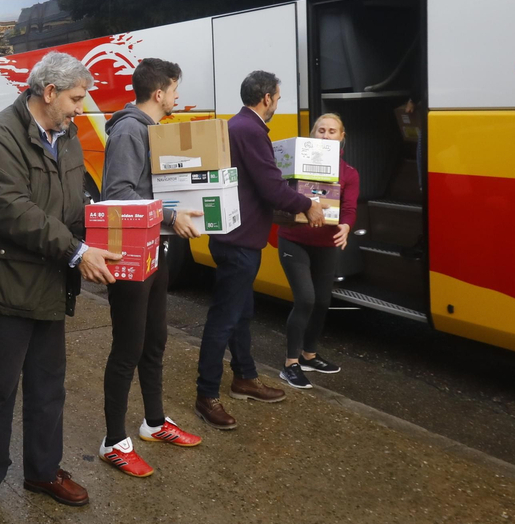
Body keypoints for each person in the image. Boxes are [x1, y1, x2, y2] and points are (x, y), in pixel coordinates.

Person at [0, 51, 120, 523]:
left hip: (48, 283)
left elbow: (76, 206)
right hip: (2, 286)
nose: (81, 107)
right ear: (48, 93)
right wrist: (76, 252)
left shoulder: (67, 136)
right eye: (75, 97)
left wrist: (139, 229)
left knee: (49, 388)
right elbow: (13, 211)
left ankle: (43, 470)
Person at [194, 70, 324, 430]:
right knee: (223, 320)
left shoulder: (237, 126)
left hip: (236, 237)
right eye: (278, 98)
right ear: (266, 98)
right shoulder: (250, 130)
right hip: (239, 242)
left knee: (242, 313)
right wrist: (307, 204)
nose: (277, 104)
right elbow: (271, 188)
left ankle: (244, 378)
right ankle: (207, 395)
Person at [96, 58, 204, 477]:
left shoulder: (152, 131)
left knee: (154, 340)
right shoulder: (128, 131)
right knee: (128, 348)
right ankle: (113, 441)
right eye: (174, 90)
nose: (177, 97)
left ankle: (154, 423)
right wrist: (168, 214)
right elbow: (118, 192)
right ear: (159, 93)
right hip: (129, 255)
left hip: (153, 251)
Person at [276, 113, 361, 389]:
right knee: (306, 299)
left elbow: (348, 209)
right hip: (294, 240)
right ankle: (290, 364)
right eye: (321, 130)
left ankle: (309, 355)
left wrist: (346, 227)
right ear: (313, 135)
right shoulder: (299, 166)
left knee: (323, 302)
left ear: (341, 137)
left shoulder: (349, 173)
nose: (326, 135)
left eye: (332, 131)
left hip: (326, 245)